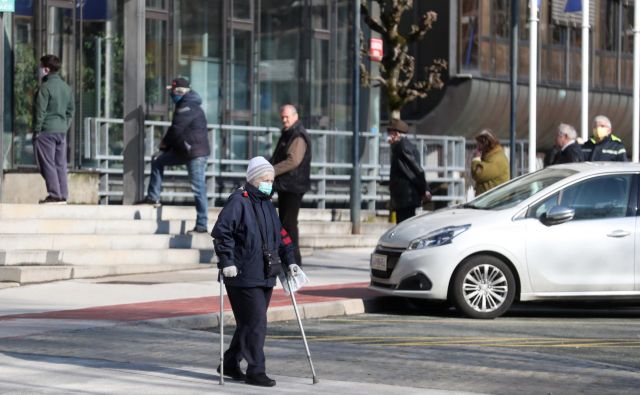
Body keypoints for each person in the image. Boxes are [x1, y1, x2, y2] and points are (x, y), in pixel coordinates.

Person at [212, 156, 299, 387]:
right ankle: (255, 370)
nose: (269, 183)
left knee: (249, 323)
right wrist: (226, 261)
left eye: (271, 179)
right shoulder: (238, 202)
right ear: (253, 179)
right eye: (265, 179)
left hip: (266, 273)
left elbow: (282, 237)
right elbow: (222, 233)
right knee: (257, 322)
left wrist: (290, 260)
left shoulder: (268, 205)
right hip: (241, 275)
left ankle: (230, 363)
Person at [139, 78, 210, 233]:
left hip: (194, 154)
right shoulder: (185, 103)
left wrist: (164, 144)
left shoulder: (187, 105)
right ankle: (153, 197)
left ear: (180, 92)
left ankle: (202, 224)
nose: (171, 94)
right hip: (184, 150)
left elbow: (176, 129)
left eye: (173, 91)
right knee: (158, 160)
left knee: (198, 188)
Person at [270, 104, 311, 266]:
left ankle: (293, 260)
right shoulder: (290, 133)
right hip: (287, 185)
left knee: (289, 224)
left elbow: (293, 161)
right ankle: (289, 259)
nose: (284, 120)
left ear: (295, 116)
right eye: (282, 117)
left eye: (287, 117)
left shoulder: (297, 135)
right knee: (286, 224)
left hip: (292, 185)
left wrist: (271, 170)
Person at [33, 54, 75, 204]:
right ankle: (63, 194)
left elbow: (40, 112)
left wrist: (37, 130)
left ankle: (54, 194)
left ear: (46, 69)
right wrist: (64, 126)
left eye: (40, 67)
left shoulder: (45, 88)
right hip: (61, 132)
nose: (38, 70)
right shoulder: (66, 88)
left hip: (46, 131)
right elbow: (71, 111)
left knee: (47, 163)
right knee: (60, 164)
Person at [387, 119, 431, 223]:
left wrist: (424, 189)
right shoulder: (403, 146)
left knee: (404, 227)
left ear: (396, 134)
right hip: (404, 199)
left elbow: (415, 170)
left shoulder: (402, 147)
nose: (388, 136)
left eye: (390, 133)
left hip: (405, 199)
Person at [470, 129, 509, 195]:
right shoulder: (489, 157)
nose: (477, 148)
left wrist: (476, 159)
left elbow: (479, 174)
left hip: (495, 202)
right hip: (488, 202)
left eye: (479, 144)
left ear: (486, 143)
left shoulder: (497, 158)